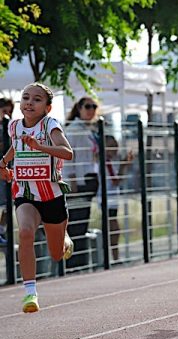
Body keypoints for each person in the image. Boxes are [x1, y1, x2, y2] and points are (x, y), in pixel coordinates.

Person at [0, 83, 74, 313]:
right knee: (24, 232)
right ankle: (30, 293)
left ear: (47, 107)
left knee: (56, 254)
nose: (30, 102)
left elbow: (67, 152)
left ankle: (65, 239)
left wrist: (40, 146)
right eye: (26, 97)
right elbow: (14, 147)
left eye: (37, 99)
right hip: (25, 193)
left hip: (52, 196)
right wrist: (3, 164)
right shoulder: (14, 127)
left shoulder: (50, 125)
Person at [63, 97, 100, 252]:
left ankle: (80, 261)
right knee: (76, 224)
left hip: (89, 178)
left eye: (94, 106)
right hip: (79, 182)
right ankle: (74, 263)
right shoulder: (74, 129)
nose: (91, 110)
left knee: (83, 221)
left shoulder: (88, 130)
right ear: (79, 108)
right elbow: (68, 158)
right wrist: (73, 182)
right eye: (87, 106)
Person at [103, 135, 134, 261]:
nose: (115, 149)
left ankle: (115, 256)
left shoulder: (111, 161)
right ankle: (113, 257)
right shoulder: (106, 161)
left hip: (113, 199)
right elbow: (115, 181)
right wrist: (123, 166)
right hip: (107, 199)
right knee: (113, 228)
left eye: (115, 146)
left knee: (113, 227)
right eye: (111, 146)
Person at [0, 97, 15, 245]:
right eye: (4, 111)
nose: (8, 115)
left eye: (10, 112)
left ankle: (2, 231)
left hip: (8, 171)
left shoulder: (11, 128)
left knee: (8, 203)